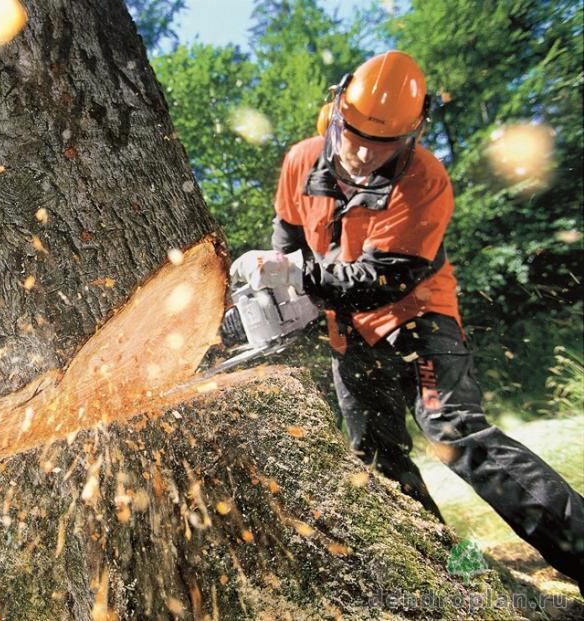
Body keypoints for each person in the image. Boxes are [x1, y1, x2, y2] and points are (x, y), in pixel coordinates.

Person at [229, 50, 584, 584]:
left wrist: (297, 276)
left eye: (382, 144)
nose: (362, 154)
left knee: (455, 433)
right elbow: (289, 235)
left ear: (411, 133)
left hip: (419, 321)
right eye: (353, 135)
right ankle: (459, 584)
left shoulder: (424, 180)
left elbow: (380, 282)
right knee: (378, 461)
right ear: (338, 111)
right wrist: (278, 282)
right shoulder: (301, 161)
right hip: (346, 336)